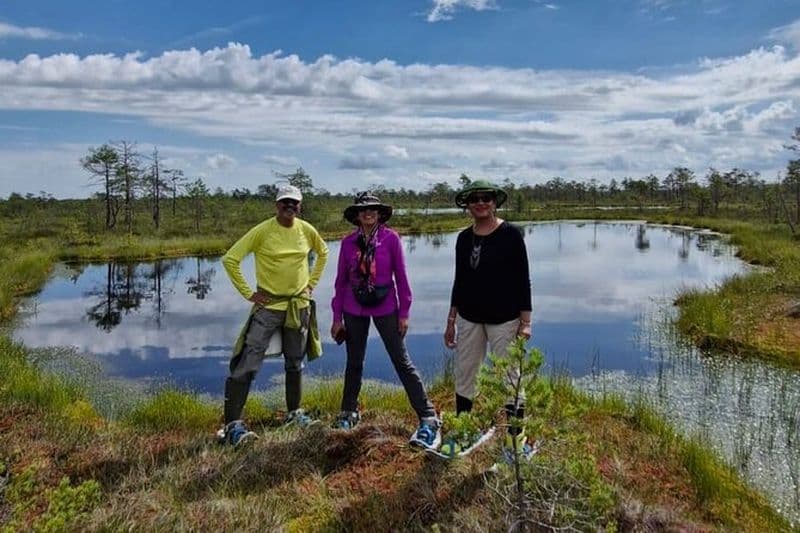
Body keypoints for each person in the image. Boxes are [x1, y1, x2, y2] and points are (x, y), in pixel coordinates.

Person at [218, 183, 329, 446]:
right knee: (247, 363)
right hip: (268, 308)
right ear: (276, 205)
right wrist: (249, 293)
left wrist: (311, 284)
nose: (289, 207)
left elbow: (323, 252)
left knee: (294, 362)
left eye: (294, 203)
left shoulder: (306, 230)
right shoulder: (263, 231)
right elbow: (231, 259)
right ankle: (233, 426)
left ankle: (294, 413)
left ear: (300, 206)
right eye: (284, 202)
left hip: (298, 306)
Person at [330, 192, 441, 450]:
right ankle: (348, 412)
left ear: (379, 214)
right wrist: (337, 318)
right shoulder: (348, 243)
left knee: (401, 360)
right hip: (353, 307)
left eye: (373, 209)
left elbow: (401, 278)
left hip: (386, 306)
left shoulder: (391, 239)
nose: (368, 213)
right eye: (363, 210)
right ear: (357, 215)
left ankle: (427, 415)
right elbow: (340, 283)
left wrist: (404, 313)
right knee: (354, 362)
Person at [442, 179, 533, 458]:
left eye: (486, 198)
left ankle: (516, 441)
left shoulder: (511, 235)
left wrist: (526, 322)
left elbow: (522, 280)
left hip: (504, 319)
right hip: (470, 318)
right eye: (475, 199)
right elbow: (460, 280)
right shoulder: (463, 238)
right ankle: (463, 430)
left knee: (510, 378)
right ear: (467, 205)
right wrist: (451, 320)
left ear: (495, 202)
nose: (481, 203)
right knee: (465, 374)